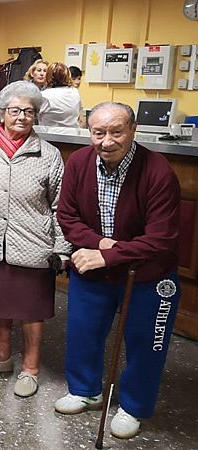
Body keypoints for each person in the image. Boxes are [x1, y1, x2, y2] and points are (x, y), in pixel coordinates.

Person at [55, 102, 181, 439]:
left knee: (145, 344)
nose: (106, 141)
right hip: (93, 268)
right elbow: (67, 218)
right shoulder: (80, 162)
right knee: (83, 333)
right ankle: (85, 390)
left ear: (133, 130)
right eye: (99, 133)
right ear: (89, 132)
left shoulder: (158, 170)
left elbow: (161, 239)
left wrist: (107, 256)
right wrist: (104, 248)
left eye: (116, 132)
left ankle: (133, 406)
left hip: (148, 276)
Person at [0, 81, 71, 398]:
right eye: (15, 110)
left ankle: (30, 369)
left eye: (29, 111)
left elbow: (61, 207)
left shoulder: (49, 155)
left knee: (31, 310)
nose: (23, 117)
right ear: (0, 113)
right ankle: (2, 358)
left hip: (34, 245)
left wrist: (61, 248)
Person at [38, 62, 82, 128]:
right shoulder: (75, 92)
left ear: (48, 76)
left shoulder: (43, 95)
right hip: (71, 135)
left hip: (47, 135)